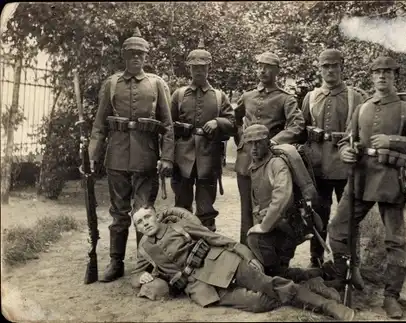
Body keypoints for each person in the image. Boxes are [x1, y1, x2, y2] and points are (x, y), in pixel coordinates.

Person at [326, 56, 406, 318]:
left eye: (388, 72)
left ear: (395, 77)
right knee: (338, 228)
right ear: (371, 77)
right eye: (377, 73)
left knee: (395, 240)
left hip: (391, 179)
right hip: (360, 177)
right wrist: (345, 151)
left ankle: (391, 296)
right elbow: (347, 139)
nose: (382, 77)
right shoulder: (362, 107)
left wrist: (392, 140)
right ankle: (344, 280)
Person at [130, 206, 355, 320]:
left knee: (272, 286)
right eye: (139, 222)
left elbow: (216, 238)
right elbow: (135, 276)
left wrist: (247, 255)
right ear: (138, 228)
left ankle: (328, 306)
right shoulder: (145, 249)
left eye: (147, 217)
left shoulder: (179, 226)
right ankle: (306, 285)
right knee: (258, 303)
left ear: (156, 215)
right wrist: (140, 278)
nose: (145, 223)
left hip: (224, 263)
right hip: (204, 289)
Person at [88, 27, 175, 282]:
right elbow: (99, 124)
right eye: (131, 54)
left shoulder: (157, 84)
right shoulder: (112, 83)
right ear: (124, 56)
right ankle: (116, 262)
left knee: (144, 211)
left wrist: (167, 157)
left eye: (141, 54)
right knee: (118, 212)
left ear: (146, 57)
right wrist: (93, 154)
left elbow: (168, 126)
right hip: (116, 156)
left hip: (146, 157)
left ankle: (144, 262)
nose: (136, 58)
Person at [301, 49, 366, 289]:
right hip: (317, 166)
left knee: (348, 219)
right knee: (318, 216)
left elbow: (364, 131)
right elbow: (302, 128)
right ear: (319, 68)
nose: (330, 70)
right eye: (325, 66)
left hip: (346, 165)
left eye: (334, 66)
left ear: (342, 67)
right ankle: (316, 261)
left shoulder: (355, 97)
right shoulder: (311, 97)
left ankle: (349, 266)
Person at [234, 51, 305, 245]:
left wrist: (274, 142)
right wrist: (241, 138)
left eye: (268, 67)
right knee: (246, 211)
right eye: (260, 66)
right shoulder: (247, 96)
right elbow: (235, 119)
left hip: (268, 162)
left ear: (277, 71)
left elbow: (297, 125)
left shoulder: (285, 99)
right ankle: (245, 255)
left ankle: (268, 257)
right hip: (245, 161)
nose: (262, 70)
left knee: (267, 209)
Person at [242, 124, 322, 283]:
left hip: (288, 226)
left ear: (267, 142)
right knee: (271, 268)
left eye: (258, 142)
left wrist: (264, 226)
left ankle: (308, 275)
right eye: (250, 143)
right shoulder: (256, 164)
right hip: (277, 225)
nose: (254, 147)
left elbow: (283, 197)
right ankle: (288, 273)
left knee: (255, 239)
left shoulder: (276, 164)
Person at [170, 39, 235, 232]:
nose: (198, 71)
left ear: (209, 68)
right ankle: (181, 247)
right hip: (182, 158)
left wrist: (218, 122)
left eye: (202, 67)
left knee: (206, 209)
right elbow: (167, 127)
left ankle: (207, 249)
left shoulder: (219, 96)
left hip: (209, 158)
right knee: (181, 207)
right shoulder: (179, 95)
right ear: (189, 69)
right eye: (194, 67)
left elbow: (232, 124)